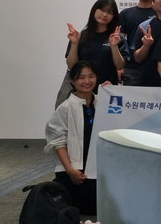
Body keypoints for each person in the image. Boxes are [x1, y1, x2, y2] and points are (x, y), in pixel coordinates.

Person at [45, 61, 111, 215]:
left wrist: (112, 91)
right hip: (75, 170)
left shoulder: (103, 103)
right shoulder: (65, 107)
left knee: (102, 209)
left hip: (98, 167)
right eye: (81, 77)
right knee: (78, 209)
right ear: (72, 81)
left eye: (91, 76)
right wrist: (70, 170)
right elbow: (58, 142)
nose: (87, 81)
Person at [65, 0, 127, 86]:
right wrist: (74, 44)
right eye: (102, 10)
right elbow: (71, 66)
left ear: (114, 17)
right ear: (94, 10)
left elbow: (120, 66)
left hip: (107, 87)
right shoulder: (79, 36)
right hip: (83, 87)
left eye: (110, 12)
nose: (105, 14)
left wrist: (114, 46)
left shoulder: (117, 38)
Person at [119, 0, 157, 86]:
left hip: (155, 65)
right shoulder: (126, 13)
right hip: (131, 67)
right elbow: (120, 41)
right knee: (130, 96)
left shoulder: (160, 13)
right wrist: (119, 66)